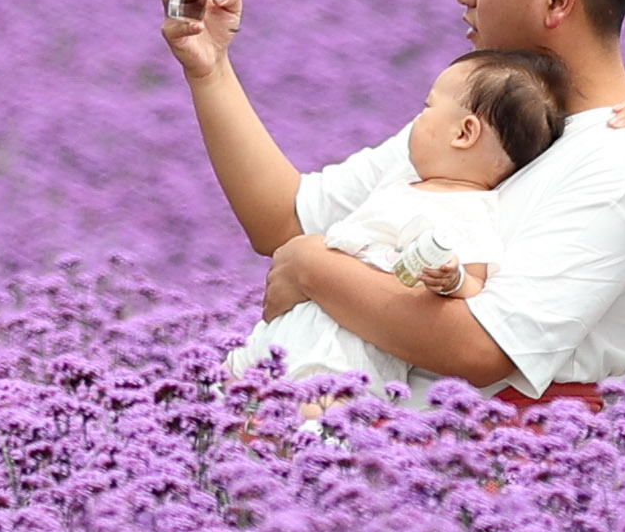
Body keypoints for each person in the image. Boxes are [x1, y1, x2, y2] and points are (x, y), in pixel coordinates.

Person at [163, 0, 625, 408]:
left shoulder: (620, 160)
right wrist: (210, 67)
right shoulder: (469, 123)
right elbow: (286, 219)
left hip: (507, 467)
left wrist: (315, 267)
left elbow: (485, 346)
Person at [229, 50, 570, 391]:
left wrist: (453, 279)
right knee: (231, 384)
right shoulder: (404, 182)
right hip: (307, 319)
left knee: (313, 408)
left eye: (427, 108)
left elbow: (474, 283)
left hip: (350, 348)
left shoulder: (470, 212)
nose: (418, 119)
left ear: (464, 133)